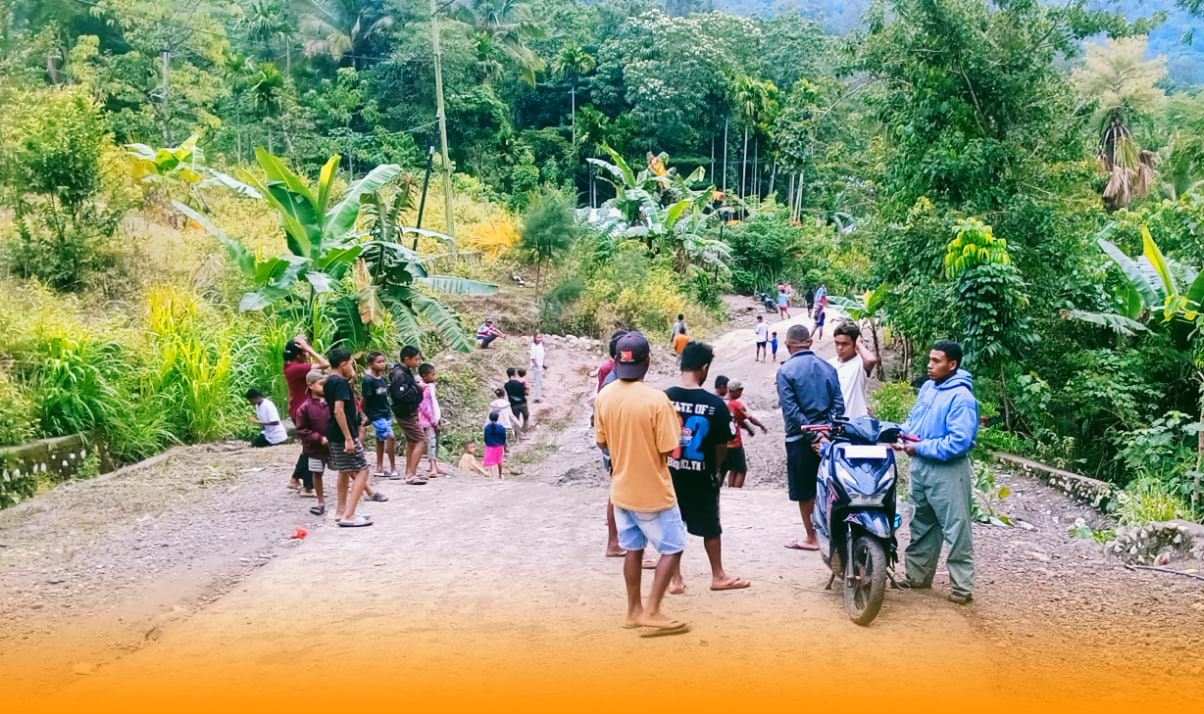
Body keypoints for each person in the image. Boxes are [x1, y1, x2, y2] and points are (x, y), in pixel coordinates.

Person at [594, 331, 689, 637]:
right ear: (648, 361)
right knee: (673, 547)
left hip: (620, 489)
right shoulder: (657, 400)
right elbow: (668, 448)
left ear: (617, 361)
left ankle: (633, 610)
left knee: (633, 549)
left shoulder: (604, 396)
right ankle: (653, 610)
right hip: (653, 491)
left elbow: (602, 442)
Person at [894, 340, 979, 605]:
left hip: (947, 471)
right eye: (930, 360)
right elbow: (914, 421)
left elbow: (959, 442)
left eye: (936, 361)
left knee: (956, 528)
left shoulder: (962, 398)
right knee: (921, 523)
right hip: (920, 467)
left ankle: (962, 588)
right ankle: (917, 577)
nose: (930, 365)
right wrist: (900, 435)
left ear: (952, 365)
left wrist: (919, 447)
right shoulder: (928, 388)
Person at [665, 341, 749, 594]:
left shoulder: (665, 398)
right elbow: (722, 444)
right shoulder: (715, 404)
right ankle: (718, 575)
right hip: (702, 474)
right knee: (711, 525)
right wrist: (715, 469)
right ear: (704, 368)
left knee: (673, 524)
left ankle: (675, 579)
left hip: (670, 473)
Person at [777, 324, 844, 551]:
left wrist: (813, 436)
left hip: (800, 439)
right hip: (830, 439)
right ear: (810, 342)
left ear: (787, 345)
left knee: (804, 490)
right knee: (830, 486)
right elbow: (838, 406)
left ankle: (812, 537)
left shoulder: (785, 371)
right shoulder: (829, 368)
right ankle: (832, 534)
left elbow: (791, 411)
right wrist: (825, 433)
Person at [324, 348, 373, 528]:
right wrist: (349, 438)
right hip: (343, 433)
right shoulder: (340, 383)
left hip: (333, 432)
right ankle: (349, 514)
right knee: (363, 470)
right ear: (343, 363)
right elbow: (339, 410)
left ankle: (341, 510)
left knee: (344, 471)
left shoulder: (329, 381)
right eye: (351, 363)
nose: (352, 366)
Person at [283, 336, 330, 492]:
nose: (307, 354)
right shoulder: (297, 368)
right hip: (303, 411)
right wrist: (308, 348)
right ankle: (308, 486)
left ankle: (295, 479)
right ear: (298, 355)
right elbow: (324, 364)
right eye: (304, 352)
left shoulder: (290, 365)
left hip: (298, 409)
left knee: (308, 447)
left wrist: (303, 344)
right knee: (312, 447)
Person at [597, 329, 628, 558]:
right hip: (617, 442)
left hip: (614, 441)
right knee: (619, 491)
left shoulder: (615, 377)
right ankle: (616, 542)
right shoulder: (611, 379)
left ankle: (616, 542)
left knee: (619, 490)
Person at [294, 370, 331, 516]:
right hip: (315, 448)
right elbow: (302, 430)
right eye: (321, 384)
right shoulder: (305, 408)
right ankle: (320, 502)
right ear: (310, 385)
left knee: (347, 469)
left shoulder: (332, 402)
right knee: (317, 473)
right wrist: (319, 438)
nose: (324, 387)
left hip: (334, 444)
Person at [389, 346, 427, 485]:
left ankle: (409, 472)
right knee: (420, 440)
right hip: (405, 412)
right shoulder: (399, 375)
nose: (418, 362)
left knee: (412, 441)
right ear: (407, 359)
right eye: (416, 359)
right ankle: (411, 474)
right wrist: (418, 388)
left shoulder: (405, 372)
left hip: (409, 411)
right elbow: (400, 395)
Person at [828, 321, 878, 419]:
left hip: (857, 421)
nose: (840, 348)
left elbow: (871, 360)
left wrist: (858, 343)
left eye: (845, 344)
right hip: (835, 421)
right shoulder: (829, 364)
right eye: (837, 343)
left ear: (854, 344)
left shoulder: (860, 363)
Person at [722, 381, 767, 488]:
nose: (741, 392)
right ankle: (737, 490)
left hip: (722, 443)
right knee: (741, 470)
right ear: (735, 390)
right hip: (735, 443)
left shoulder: (720, 402)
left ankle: (730, 489)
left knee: (733, 469)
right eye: (740, 390)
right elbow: (749, 418)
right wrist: (761, 426)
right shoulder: (736, 405)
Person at [362, 352, 397, 479]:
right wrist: (368, 415)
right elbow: (364, 400)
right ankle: (393, 468)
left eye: (383, 361)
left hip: (386, 413)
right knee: (391, 437)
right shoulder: (368, 380)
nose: (382, 364)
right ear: (370, 364)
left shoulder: (383, 380)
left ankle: (380, 468)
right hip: (376, 415)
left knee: (380, 439)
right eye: (379, 362)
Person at [417, 362, 443, 477]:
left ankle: (434, 465)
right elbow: (425, 407)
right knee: (431, 442)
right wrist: (434, 422)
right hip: (427, 421)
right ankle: (432, 466)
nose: (434, 376)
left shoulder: (430, 386)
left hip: (434, 418)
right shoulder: (424, 389)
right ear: (424, 376)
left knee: (434, 441)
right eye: (432, 374)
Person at [483, 412, 507, 479]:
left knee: (490, 461)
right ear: (497, 418)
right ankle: (500, 475)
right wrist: (503, 444)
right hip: (499, 446)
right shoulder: (501, 427)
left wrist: (487, 443)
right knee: (499, 460)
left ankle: (492, 475)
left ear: (489, 418)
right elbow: (504, 437)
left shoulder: (487, 427)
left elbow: (485, 437)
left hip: (490, 446)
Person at [504, 367, 529, 432]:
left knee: (516, 419)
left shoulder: (506, 385)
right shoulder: (521, 384)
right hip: (523, 403)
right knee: (526, 417)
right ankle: (525, 429)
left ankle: (517, 433)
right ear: (515, 374)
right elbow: (526, 393)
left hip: (513, 405)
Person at [529, 332, 547, 403]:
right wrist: (537, 366)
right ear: (534, 338)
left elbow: (541, 356)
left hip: (540, 365)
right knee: (537, 382)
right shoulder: (534, 346)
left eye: (540, 337)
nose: (539, 339)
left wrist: (543, 364)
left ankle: (538, 396)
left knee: (540, 382)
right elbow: (533, 358)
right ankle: (536, 398)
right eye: (538, 337)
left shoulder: (540, 345)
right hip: (536, 366)